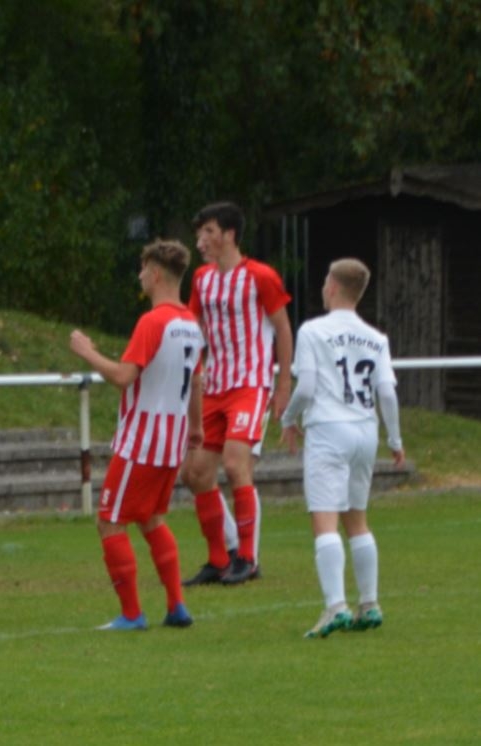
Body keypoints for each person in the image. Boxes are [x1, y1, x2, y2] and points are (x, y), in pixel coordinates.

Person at [70, 240, 202, 631]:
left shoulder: (153, 322)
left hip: (143, 440)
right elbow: (197, 381)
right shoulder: (191, 324)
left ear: (156, 274)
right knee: (151, 519)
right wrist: (196, 427)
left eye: (143, 269)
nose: (140, 275)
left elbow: (124, 377)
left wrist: (87, 352)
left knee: (110, 520)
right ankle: (176, 606)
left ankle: (132, 614)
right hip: (172, 441)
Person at [279, 259, 403, 638]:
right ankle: (369, 602)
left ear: (332, 286)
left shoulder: (313, 330)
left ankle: (335, 606)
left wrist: (288, 418)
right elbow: (386, 393)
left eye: (325, 282)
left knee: (325, 519)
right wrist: (395, 440)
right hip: (365, 431)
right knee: (357, 520)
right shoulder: (376, 338)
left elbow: (306, 387)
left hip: (329, 430)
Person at [181, 202, 293, 586]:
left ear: (229, 235)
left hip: (249, 384)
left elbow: (282, 328)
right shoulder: (202, 279)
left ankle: (248, 557)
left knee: (234, 464)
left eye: (208, 232)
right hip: (214, 387)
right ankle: (220, 558)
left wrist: (283, 384)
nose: (201, 241)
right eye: (199, 233)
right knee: (195, 472)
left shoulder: (260, 276)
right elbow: (193, 329)